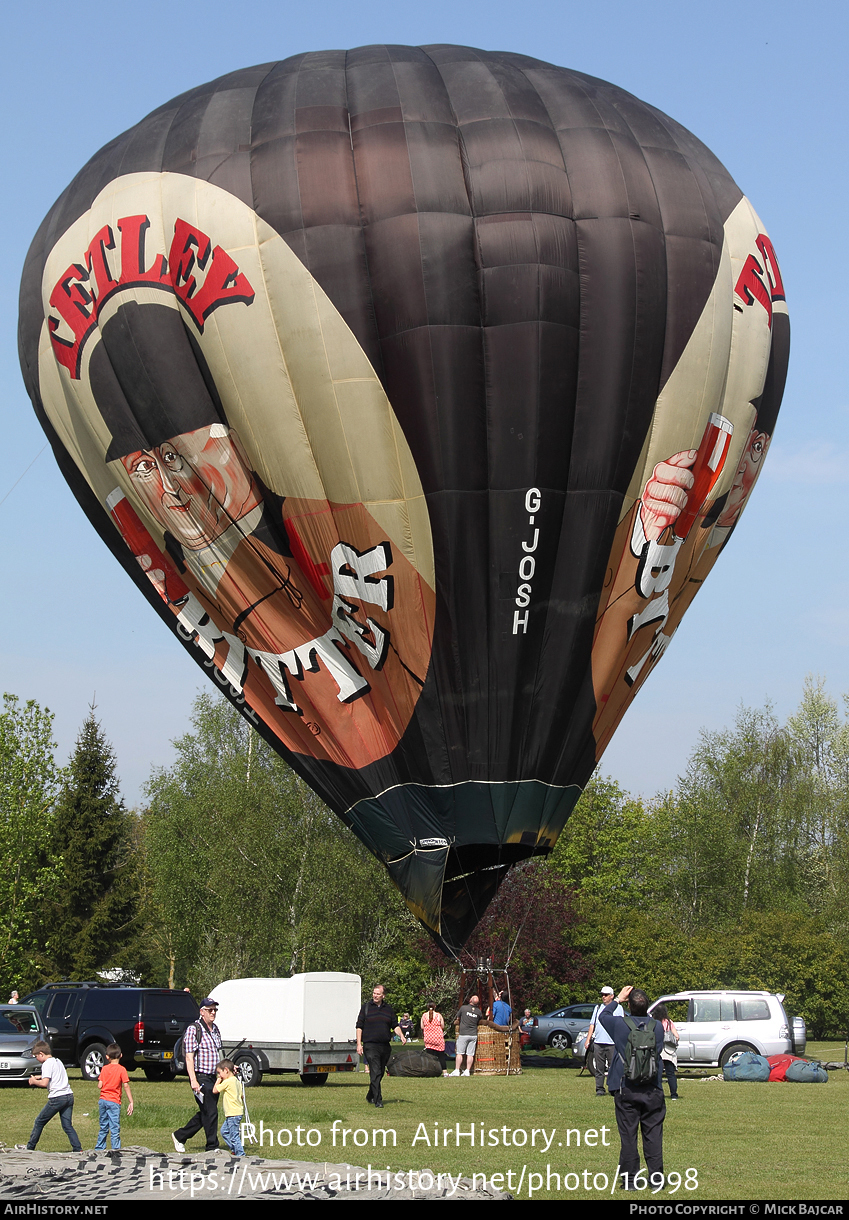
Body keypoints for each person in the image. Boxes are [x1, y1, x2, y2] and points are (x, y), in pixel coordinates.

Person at [600, 985, 665, 1190]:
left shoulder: (620, 1025)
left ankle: (629, 1181)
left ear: (629, 1005)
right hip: (652, 1087)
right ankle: (656, 1181)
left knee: (628, 1136)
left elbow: (603, 1015)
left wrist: (617, 999)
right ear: (648, 1007)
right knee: (653, 1135)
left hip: (626, 1086)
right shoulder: (657, 1026)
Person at [173, 998, 223, 1152]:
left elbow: (218, 1053)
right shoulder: (194, 1029)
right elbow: (189, 1057)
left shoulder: (215, 1029)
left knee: (206, 1112)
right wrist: (193, 1080)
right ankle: (212, 1146)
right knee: (212, 1112)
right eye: (210, 1010)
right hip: (200, 1077)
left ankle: (180, 1135)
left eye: (215, 1010)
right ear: (202, 1012)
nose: (213, 1012)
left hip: (214, 1078)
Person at [18, 1040, 82, 1153]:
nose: (36, 1059)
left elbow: (44, 1083)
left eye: (36, 1056)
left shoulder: (46, 1064)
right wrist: (39, 1076)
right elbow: (52, 1075)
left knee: (39, 1121)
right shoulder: (57, 1061)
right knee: (67, 1125)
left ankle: (30, 1147)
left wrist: (33, 1081)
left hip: (57, 1098)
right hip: (68, 1095)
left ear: (41, 1054)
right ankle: (78, 1149)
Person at [356, 985, 406, 1108]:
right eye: (374, 993)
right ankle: (378, 1100)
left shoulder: (388, 1009)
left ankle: (370, 1094)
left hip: (384, 1046)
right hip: (370, 1045)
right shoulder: (366, 1008)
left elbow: (395, 1025)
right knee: (376, 1071)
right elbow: (359, 1026)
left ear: (383, 995)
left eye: (378, 994)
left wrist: (402, 1035)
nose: (375, 996)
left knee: (380, 1072)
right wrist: (359, 1044)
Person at [96, 1043, 134, 1150]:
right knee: (114, 1127)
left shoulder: (104, 1069)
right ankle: (116, 1149)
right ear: (121, 1055)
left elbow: (100, 1085)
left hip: (103, 1100)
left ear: (107, 1057)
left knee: (103, 1126)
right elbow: (125, 1085)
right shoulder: (122, 1070)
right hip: (114, 1101)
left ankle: (99, 1148)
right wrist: (131, 1101)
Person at [586, 986, 623, 1096]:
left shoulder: (618, 1008)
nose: (603, 997)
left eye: (606, 995)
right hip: (598, 1042)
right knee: (599, 1068)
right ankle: (599, 1089)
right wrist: (588, 1039)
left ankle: (614, 1087)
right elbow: (592, 1024)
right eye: (602, 994)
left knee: (614, 1067)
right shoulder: (598, 1008)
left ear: (612, 996)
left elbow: (620, 1025)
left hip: (612, 1043)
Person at [213, 1060, 245, 1157]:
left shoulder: (227, 1082)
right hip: (236, 1112)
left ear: (226, 1070)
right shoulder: (236, 1081)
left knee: (234, 1135)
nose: (220, 1075)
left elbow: (215, 1090)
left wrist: (218, 1080)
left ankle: (241, 1154)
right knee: (224, 1132)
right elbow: (241, 1096)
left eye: (220, 1073)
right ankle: (234, 1149)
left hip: (233, 1113)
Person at [450, 994, 483, 1076]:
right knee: (470, 1054)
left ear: (470, 1000)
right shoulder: (478, 1012)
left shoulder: (463, 1008)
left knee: (459, 1053)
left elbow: (458, 1018)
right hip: (473, 1035)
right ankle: (467, 1071)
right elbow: (480, 1020)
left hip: (464, 1034)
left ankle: (457, 1070)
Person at [653, 1004, 680, 1100]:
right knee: (670, 1074)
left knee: (657, 1074)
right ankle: (673, 1094)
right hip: (668, 1051)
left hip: (658, 1050)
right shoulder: (669, 1022)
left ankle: (657, 1093)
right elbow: (677, 1036)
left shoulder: (654, 1022)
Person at [420, 1003, 448, 1075]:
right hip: (438, 1038)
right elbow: (442, 1026)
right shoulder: (438, 1015)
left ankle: (430, 1071)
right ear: (435, 1007)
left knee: (430, 1056)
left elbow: (422, 1026)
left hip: (428, 1037)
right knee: (441, 1055)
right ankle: (444, 1072)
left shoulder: (424, 1015)